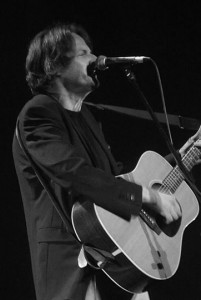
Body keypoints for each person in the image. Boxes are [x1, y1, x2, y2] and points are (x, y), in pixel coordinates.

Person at [12, 23, 201, 300]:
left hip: (120, 263)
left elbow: (118, 180)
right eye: (84, 53)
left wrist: (186, 154)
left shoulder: (86, 117)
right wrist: (147, 196)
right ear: (55, 65)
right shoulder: (38, 114)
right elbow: (75, 174)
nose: (95, 59)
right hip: (73, 267)